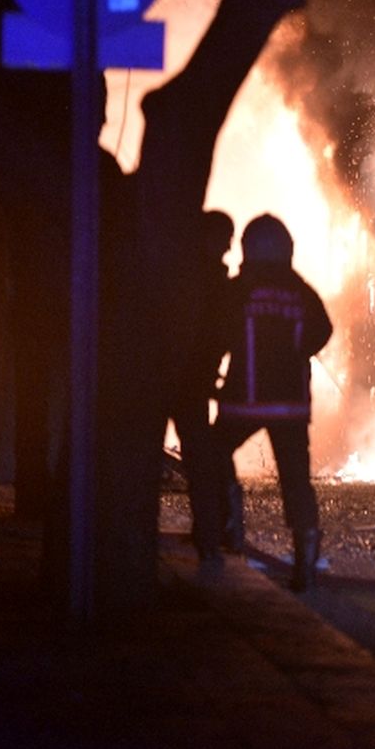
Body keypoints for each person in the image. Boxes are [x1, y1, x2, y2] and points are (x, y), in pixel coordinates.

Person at [211, 214, 333, 591]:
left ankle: (228, 523)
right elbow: (323, 330)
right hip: (291, 405)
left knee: (211, 451)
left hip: (244, 399)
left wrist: (211, 377)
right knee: (295, 479)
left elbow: (216, 334)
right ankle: (306, 559)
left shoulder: (238, 289)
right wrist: (297, 354)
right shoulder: (301, 291)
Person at [169, 210, 235, 568]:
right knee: (199, 459)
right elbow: (218, 332)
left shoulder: (183, 274)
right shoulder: (208, 280)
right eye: (225, 237)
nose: (228, 246)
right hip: (188, 381)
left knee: (198, 458)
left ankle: (209, 535)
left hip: (175, 377)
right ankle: (210, 537)